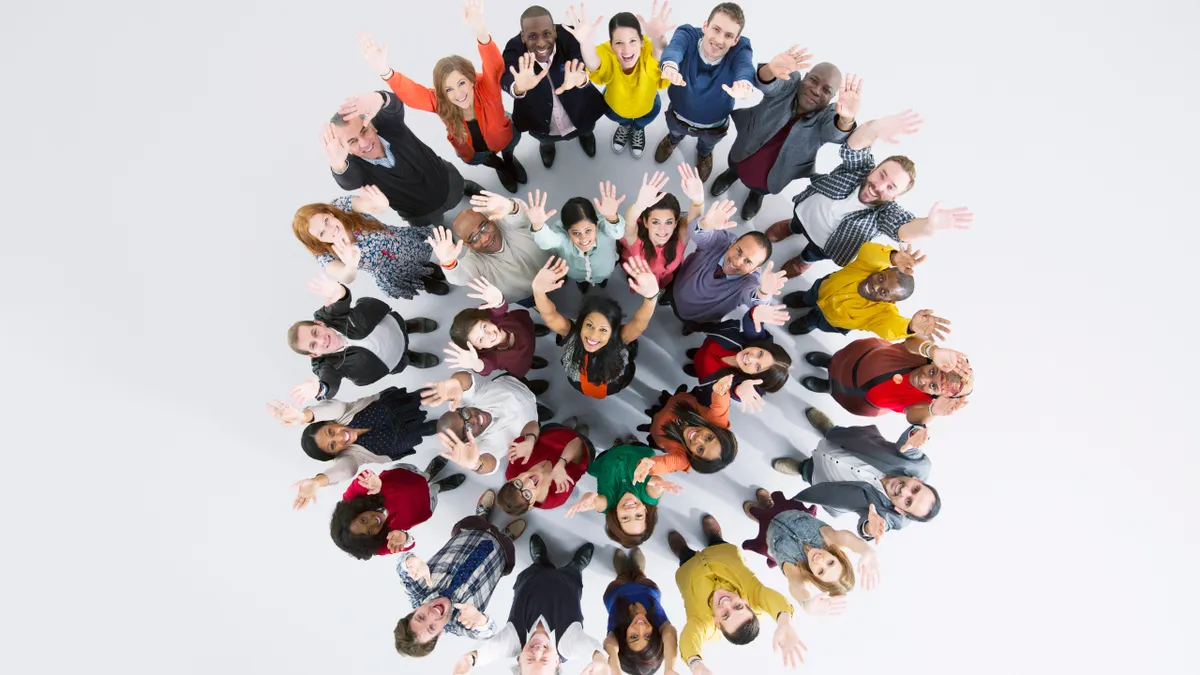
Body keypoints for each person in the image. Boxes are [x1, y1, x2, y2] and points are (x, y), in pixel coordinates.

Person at [765, 110, 974, 278]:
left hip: (826, 245)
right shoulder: (860, 169)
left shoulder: (886, 213)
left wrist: (928, 227)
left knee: (814, 253)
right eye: (881, 175)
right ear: (874, 169)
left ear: (895, 197)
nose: (880, 186)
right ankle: (791, 227)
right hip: (805, 212)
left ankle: (804, 260)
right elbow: (855, 146)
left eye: (891, 187)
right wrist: (877, 127)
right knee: (796, 223)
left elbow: (903, 229)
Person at [356, 2, 528, 193]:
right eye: (449, 89)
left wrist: (481, 30)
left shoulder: (486, 87)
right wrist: (386, 72)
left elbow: (494, 66)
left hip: (502, 136)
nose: (458, 94)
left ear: (471, 79)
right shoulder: (441, 102)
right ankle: (502, 167)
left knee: (507, 147)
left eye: (461, 83)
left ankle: (509, 160)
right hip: (473, 148)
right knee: (488, 159)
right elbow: (413, 95)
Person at [713, 51, 857, 221]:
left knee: (761, 187)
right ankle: (731, 174)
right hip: (745, 150)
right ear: (805, 77)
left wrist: (847, 118)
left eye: (826, 90)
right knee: (736, 165)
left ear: (832, 98)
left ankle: (756, 195)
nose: (817, 91)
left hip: (775, 173)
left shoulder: (827, 115)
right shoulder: (791, 83)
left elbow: (835, 134)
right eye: (813, 80)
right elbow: (768, 84)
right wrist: (769, 70)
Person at [771, 408, 941, 541]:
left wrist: (869, 529)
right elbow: (909, 444)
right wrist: (915, 435)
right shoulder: (920, 466)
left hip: (831, 480)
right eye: (915, 489)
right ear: (918, 479)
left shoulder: (892, 519)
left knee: (813, 474)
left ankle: (802, 468)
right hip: (853, 444)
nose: (905, 491)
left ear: (902, 512)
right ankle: (829, 430)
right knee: (837, 435)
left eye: (908, 502)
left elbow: (868, 528)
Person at [394, 489, 527, 658]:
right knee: (503, 543)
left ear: (414, 612)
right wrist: (480, 621)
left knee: (476, 523)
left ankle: (482, 516)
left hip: (469, 535)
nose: (432, 615)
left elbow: (401, 567)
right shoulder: (461, 623)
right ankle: (505, 536)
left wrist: (410, 563)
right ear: (440, 634)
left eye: (420, 617)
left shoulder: (418, 589)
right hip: (497, 556)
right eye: (432, 628)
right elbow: (488, 633)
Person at [668, 514, 807, 675]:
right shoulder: (754, 594)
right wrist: (784, 622)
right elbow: (773, 600)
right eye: (738, 606)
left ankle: (683, 552)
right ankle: (714, 537)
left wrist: (696, 664)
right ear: (746, 602)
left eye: (725, 614)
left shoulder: (702, 623)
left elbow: (690, 638)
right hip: (722, 553)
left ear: (717, 624)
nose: (726, 603)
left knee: (685, 556)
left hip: (689, 568)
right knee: (716, 543)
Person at [323, 88, 483, 227]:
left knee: (458, 188)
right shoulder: (353, 165)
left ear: (371, 123)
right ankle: (441, 230)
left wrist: (380, 98)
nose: (364, 143)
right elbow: (349, 182)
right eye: (353, 141)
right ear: (345, 149)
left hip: (446, 180)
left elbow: (394, 107)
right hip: (418, 212)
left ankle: (464, 188)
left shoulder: (387, 125)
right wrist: (337, 164)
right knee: (437, 229)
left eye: (364, 130)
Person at [451, 535, 605, 675]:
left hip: (531, 582)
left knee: (537, 569)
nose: (537, 652)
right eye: (544, 661)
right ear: (557, 662)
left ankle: (541, 561)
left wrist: (471, 659)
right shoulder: (566, 644)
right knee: (572, 574)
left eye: (530, 660)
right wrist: (599, 659)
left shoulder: (513, 641)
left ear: (519, 660)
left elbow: (492, 650)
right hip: (567, 586)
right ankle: (576, 566)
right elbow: (587, 647)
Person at [264, 387, 438, 510]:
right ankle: (435, 426)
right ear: (335, 453)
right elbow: (344, 471)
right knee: (436, 427)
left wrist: (304, 416)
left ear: (330, 422)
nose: (339, 437)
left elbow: (328, 408)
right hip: (406, 436)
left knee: (430, 395)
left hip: (401, 405)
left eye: (330, 431)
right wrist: (317, 482)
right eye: (332, 445)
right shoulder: (350, 457)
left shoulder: (342, 412)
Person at [286, 277, 439, 403]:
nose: (321, 340)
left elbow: (340, 301)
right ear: (314, 355)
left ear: (319, 324)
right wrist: (320, 388)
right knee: (400, 361)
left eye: (315, 332)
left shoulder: (327, 316)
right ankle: (411, 357)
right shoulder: (326, 366)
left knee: (400, 327)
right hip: (389, 361)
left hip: (389, 327)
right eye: (313, 345)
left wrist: (339, 291)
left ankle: (410, 326)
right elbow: (328, 381)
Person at [532, 256, 661, 399]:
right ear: (581, 323)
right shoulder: (573, 333)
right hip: (578, 382)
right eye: (589, 325)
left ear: (614, 331)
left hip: (612, 384)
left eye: (603, 330)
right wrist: (538, 292)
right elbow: (550, 315)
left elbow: (639, 324)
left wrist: (652, 297)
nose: (593, 336)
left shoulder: (619, 339)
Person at [654, 2, 756, 181]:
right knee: (675, 132)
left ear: (735, 40)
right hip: (679, 114)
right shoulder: (688, 34)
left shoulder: (740, 49)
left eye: (728, 35)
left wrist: (744, 83)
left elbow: (744, 66)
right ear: (705, 26)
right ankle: (673, 140)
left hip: (714, 125)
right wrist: (670, 65)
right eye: (716, 29)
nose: (719, 40)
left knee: (707, 145)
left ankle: (703, 154)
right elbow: (675, 48)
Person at [501, 5, 608, 169]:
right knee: (545, 139)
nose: (541, 43)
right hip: (540, 121)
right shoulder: (514, 48)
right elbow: (506, 77)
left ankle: (586, 136)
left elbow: (585, 62)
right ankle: (547, 146)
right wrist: (518, 87)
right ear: (523, 37)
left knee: (586, 128)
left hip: (580, 110)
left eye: (546, 34)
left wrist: (580, 79)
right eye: (532, 36)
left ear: (555, 31)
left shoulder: (571, 36)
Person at [740, 489, 880, 613]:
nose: (819, 560)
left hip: (769, 533)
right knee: (776, 504)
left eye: (820, 571)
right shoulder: (831, 539)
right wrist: (868, 551)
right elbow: (849, 540)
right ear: (839, 556)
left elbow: (797, 587)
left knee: (762, 518)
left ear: (814, 578)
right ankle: (768, 505)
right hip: (791, 513)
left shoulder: (799, 574)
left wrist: (805, 604)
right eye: (831, 562)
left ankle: (761, 516)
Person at [563, 3, 674, 157]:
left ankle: (637, 129)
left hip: (648, 107)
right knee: (623, 121)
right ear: (611, 45)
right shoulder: (607, 53)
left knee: (641, 122)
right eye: (619, 43)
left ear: (642, 42)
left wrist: (659, 38)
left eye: (633, 41)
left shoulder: (648, 49)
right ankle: (625, 126)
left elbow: (659, 57)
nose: (627, 50)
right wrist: (586, 43)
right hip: (614, 107)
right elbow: (594, 64)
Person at [291, 191, 448, 299]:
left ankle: (429, 267)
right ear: (317, 241)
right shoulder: (324, 254)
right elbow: (345, 277)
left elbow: (364, 204)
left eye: (326, 221)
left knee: (418, 256)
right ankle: (426, 281)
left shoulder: (341, 208)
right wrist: (350, 266)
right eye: (322, 233)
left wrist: (378, 204)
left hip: (399, 241)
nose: (331, 229)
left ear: (330, 213)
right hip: (390, 270)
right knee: (411, 274)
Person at [783, 241, 951, 338]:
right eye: (881, 278)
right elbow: (868, 251)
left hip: (832, 321)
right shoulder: (868, 265)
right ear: (883, 270)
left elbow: (890, 327)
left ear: (890, 301)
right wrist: (892, 257)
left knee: (818, 321)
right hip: (822, 289)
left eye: (884, 292)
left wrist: (910, 327)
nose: (876, 286)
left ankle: (809, 321)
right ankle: (804, 299)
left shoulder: (882, 313)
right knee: (810, 296)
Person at [668, 198, 788, 332]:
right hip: (674, 288)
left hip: (697, 319)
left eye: (748, 261)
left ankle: (688, 328)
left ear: (755, 269)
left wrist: (764, 291)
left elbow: (755, 301)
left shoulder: (750, 281)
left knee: (692, 327)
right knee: (668, 297)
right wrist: (706, 224)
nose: (737, 261)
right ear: (733, 243)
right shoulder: (723, 240)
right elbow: (698, 234)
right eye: (739, 251)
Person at [802, 336, 974, 425]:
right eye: (931, 371)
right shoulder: (922, 354)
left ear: (935, 396)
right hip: (858, 356)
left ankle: (828, 387)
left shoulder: (923, 404)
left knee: (840, 390)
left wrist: (933, 412)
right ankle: (829, 362)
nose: (923, 378)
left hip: (858, 397)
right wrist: (932, 350)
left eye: (932, 385)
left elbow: (917, 417)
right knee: (841, 362)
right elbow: (914, 340)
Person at [427, 191, 552, 305]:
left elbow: (522, 216)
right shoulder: (474, 262)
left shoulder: (503, 219)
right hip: (530, 296)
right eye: (475, 238)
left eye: (484, 227)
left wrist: (511, 207)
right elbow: (460, 276)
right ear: (467, 245)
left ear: (488, 218)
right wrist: (448, 263)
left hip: (557, 269)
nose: (485, 238)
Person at [421, 370, 549, 476]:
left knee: (527, 383)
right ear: (467, 441)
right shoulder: (484, 446)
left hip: (515, 384)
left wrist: (455, 382)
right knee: (538, 416)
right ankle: (538, 407)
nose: (473, 419)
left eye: (465, 414)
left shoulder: (464, 401)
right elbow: (488, 463)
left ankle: (531, 389)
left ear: (460, 408)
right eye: (469, 428)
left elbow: (464, 381)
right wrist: (477, 464)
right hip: (531, 420)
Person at [330, 463, 465, 560]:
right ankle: (438, 487)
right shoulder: (378, 545)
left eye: (363, 520)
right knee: (433, 492)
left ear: (355, 512)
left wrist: (370, 481)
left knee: (422, 476)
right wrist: (404, 538)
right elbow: (408, 544)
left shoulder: (351, 500)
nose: (373, 522)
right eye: (369, 532)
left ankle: (428, 474)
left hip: (405, 477)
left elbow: (361, 480)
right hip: (422, 505)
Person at [445, 276, 551, 395]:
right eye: (481, 339)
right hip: (521, 361)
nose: (489, 334)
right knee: (526, 360)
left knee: (528, 330)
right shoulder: (492, 357)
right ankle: (530, 361)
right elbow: (485, 367)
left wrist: (498, 300)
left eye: (484, 327)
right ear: (478, 348)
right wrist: (475, 364)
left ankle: (533, 332)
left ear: (486, 320)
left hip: (524, 327)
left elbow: (499, 308)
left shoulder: (494, 318)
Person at [565, 444, 682, 547]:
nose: (631, 510)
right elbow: (655, 488)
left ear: (616, 515)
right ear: (645, 510)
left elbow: (594, 502)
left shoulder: (608, 504)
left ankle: (617, 444)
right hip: (637, 451)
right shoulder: (649, 497)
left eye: (625, 518)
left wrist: (587, 502)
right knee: (635, 444)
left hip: (607, 458)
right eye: (639, 515)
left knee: (609, 450)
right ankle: (628, 442)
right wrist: (658, 482)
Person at [684, 305, 791, 411]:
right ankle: (697, 358)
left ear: (754, 377)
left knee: (701, 369)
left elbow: (735, 388)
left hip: (707, 373)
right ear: (762, 347)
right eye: (760, 353)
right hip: (707, 349)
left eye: (757, 367)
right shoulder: (753, 341)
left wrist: (739, 390)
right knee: (700, 355)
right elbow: (753, 326)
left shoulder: (734, 380)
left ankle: (697, 370)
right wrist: (755, 314)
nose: (751, 358)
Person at [528, 184, 627, 293]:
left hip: (604, 271)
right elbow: (546, 242)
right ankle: (582, 283)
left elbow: (617, 233)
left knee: (603, 280)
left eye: (588, 231)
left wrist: (612, 217)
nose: (583, 238)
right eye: (576, 233)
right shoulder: (562, 238)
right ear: (567, 231)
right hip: (577, 275)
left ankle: (602, 282)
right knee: (581, 282)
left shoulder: (604, 227)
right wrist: (537, 225)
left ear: (596, 224)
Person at [620, 165, 702, 292]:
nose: (662, 230)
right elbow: (628, 223)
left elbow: (694, 221)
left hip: (667, 277)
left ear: (675, 223)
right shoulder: (635, 241)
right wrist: (639, 206)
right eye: (656, 222)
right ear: (646, 222)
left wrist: (698, 199)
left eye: (669, 222)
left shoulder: (680, 238)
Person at [602, 546, 679, 675]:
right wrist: (670, 669)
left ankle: (623, 572)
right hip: (646, 587)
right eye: (648, 636)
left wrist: (615, 672)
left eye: (633, 636)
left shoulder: (616, 629)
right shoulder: (659, 623)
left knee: (622, 576)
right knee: (639, 575)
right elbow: (670, 634)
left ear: (623, 639)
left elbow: (610, 646)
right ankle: (637, 570)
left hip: (617, 589)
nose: (641, 627)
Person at [639, 374, 737, 476]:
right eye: (709, 437)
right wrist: (721, 390)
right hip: (677, 402)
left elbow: (668, 464)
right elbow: (721, 407)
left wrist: (651, 467)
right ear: (716, 431)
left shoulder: (682, 457)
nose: (698, 439)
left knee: (654, 414)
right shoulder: (716, 423)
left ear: (694, 457)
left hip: (657, 426)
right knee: (665, 400)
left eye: (700, 449)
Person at [497, 418, 594, 515]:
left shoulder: (512, 470)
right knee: (582, 436)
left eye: (518, 484)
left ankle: (566, 427)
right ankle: (577, 431)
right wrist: (561, 463)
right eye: (527, 495)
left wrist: (529, 439)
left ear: (511, 480)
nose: (528, 482)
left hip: (552, 432)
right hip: (580, 449)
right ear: (531, 504)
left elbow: (533, 424)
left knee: (561, 427)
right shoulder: (556, 497)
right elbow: (577, 442)